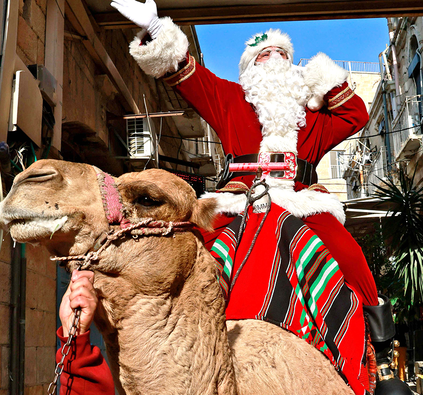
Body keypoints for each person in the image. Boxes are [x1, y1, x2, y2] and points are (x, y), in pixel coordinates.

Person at [54, 1, 396, 394]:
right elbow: (188, 75)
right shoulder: (232, 99)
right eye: (264, 55)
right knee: (191, 255)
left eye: (282, 55)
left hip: (301, 200)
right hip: (242, 201)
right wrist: (154, 25)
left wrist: (325, 79)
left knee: (349, 253)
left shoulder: (312, 119)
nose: (274, 61)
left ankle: (380, 350)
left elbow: (355, 114)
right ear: (249, 68)